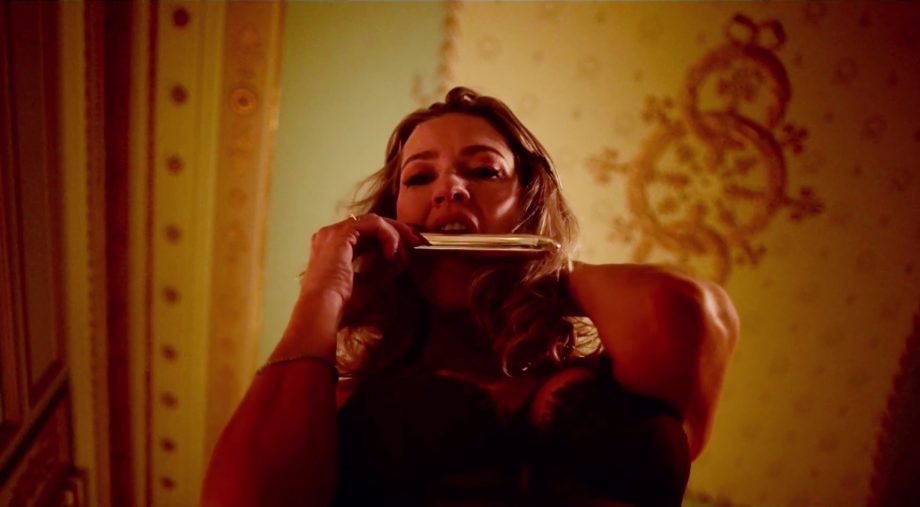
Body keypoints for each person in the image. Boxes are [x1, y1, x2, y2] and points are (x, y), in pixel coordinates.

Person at [202, 87, 739, 506]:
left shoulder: (623, 369)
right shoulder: (343, 404)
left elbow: (677, 313)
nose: (449, 189)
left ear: (528, 203)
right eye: (419, 178)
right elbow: (244, 499)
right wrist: (326, 292)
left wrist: (543, 267)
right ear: (394, 219)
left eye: (484, 170)